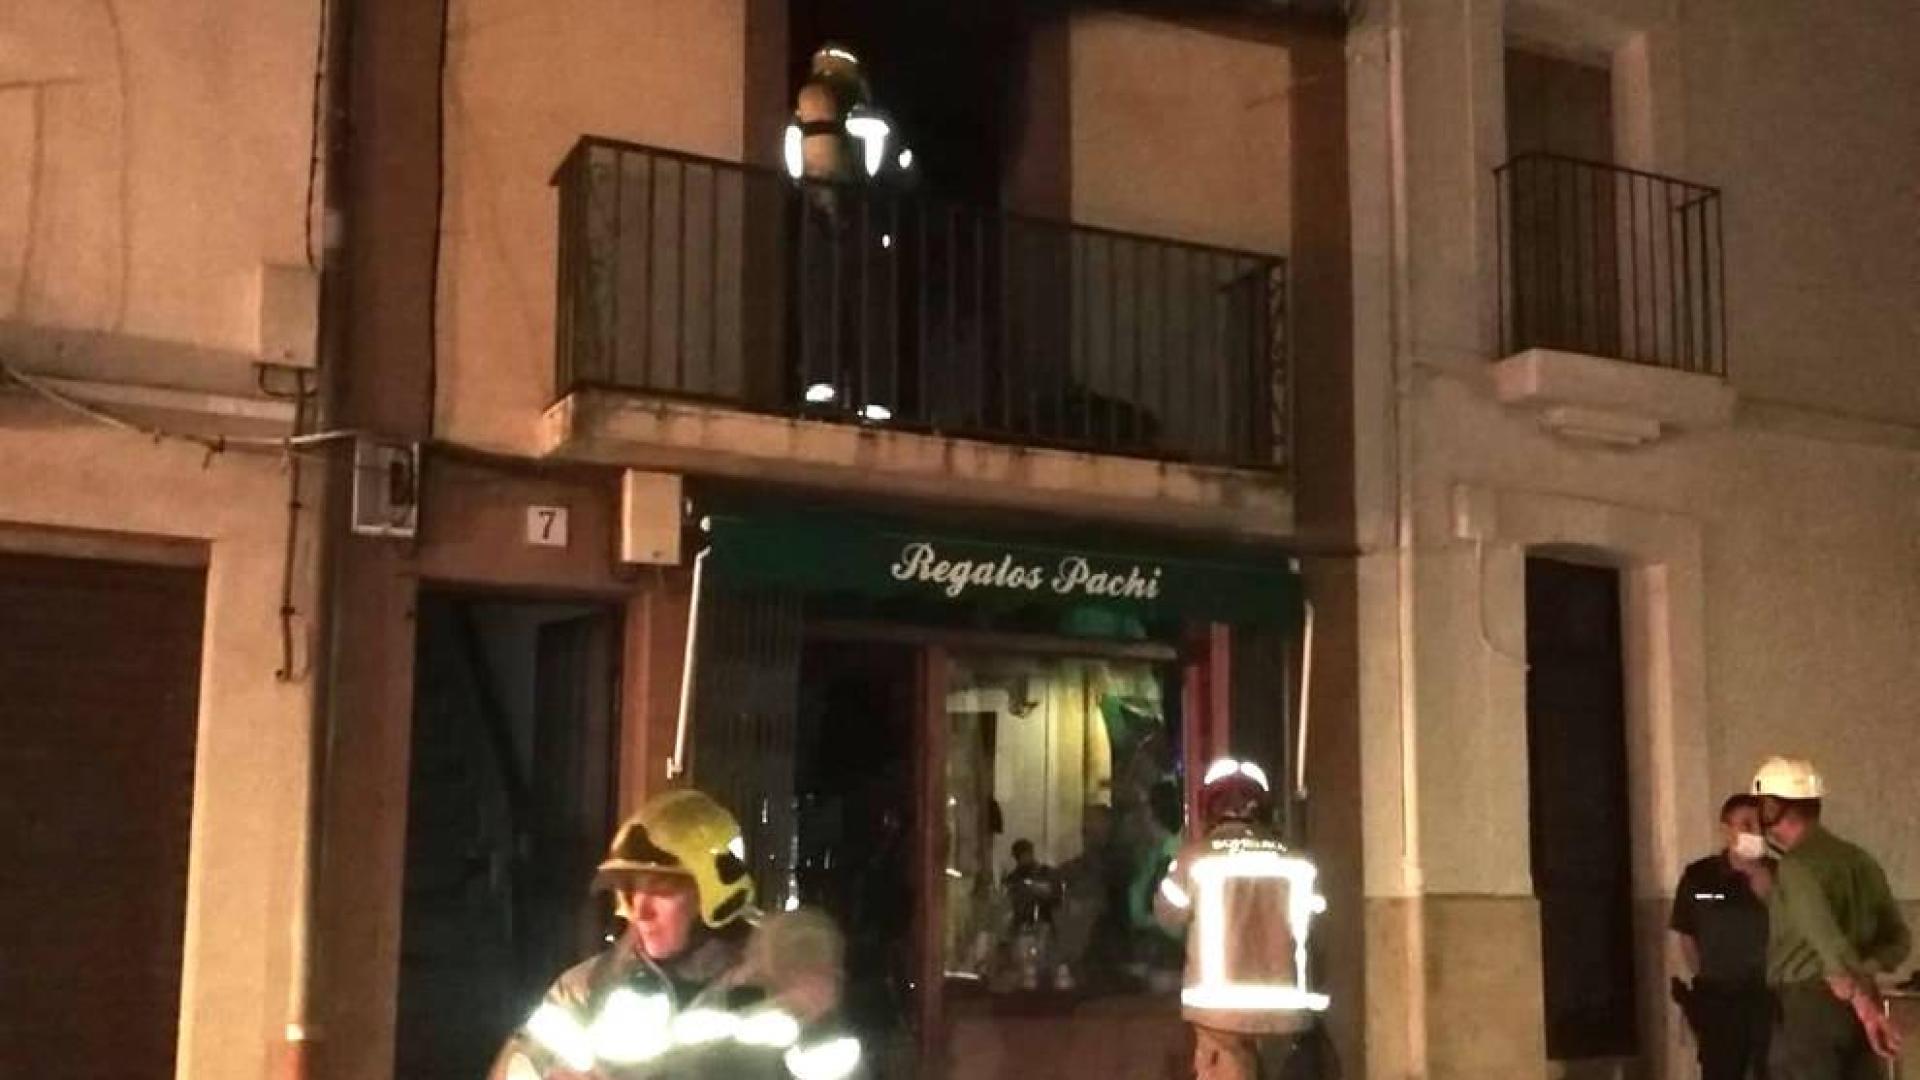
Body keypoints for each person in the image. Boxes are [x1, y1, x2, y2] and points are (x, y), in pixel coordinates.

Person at [488, 789, 863, 1080]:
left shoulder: (777, 990)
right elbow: (514, 1069)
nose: (640, 909)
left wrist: (816, 1016)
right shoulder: (584, 989)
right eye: (632, 888)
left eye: (661, 889)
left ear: (710, 892)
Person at [1154, 758, 1330, 1080]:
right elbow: (1316, 920)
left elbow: (1167, 916)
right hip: (1287, 1011)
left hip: (1218, 1012)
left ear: (1209, 808)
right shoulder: (1297, 859)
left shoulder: (1194, 858)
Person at [1753, 756, 1911, 1080]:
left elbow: (1826, 939)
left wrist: (1858, 998)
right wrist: (1866, 975)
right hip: (1861, 997)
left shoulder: (1795, 866)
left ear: (1771, 807)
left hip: (1810, 1007)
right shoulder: (1858, 860)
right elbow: (1899, 939)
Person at [1670, 793, 1774, 1079]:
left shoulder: (1780, 874)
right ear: (1726, 829)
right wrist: (1703, 974)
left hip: (1768, 997)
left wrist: (1768, 892)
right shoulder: (1700, 876)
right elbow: (1686, 932)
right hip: (1719, 998)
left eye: (1759, 824)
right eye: (1745, 824)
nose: (1754, 831)